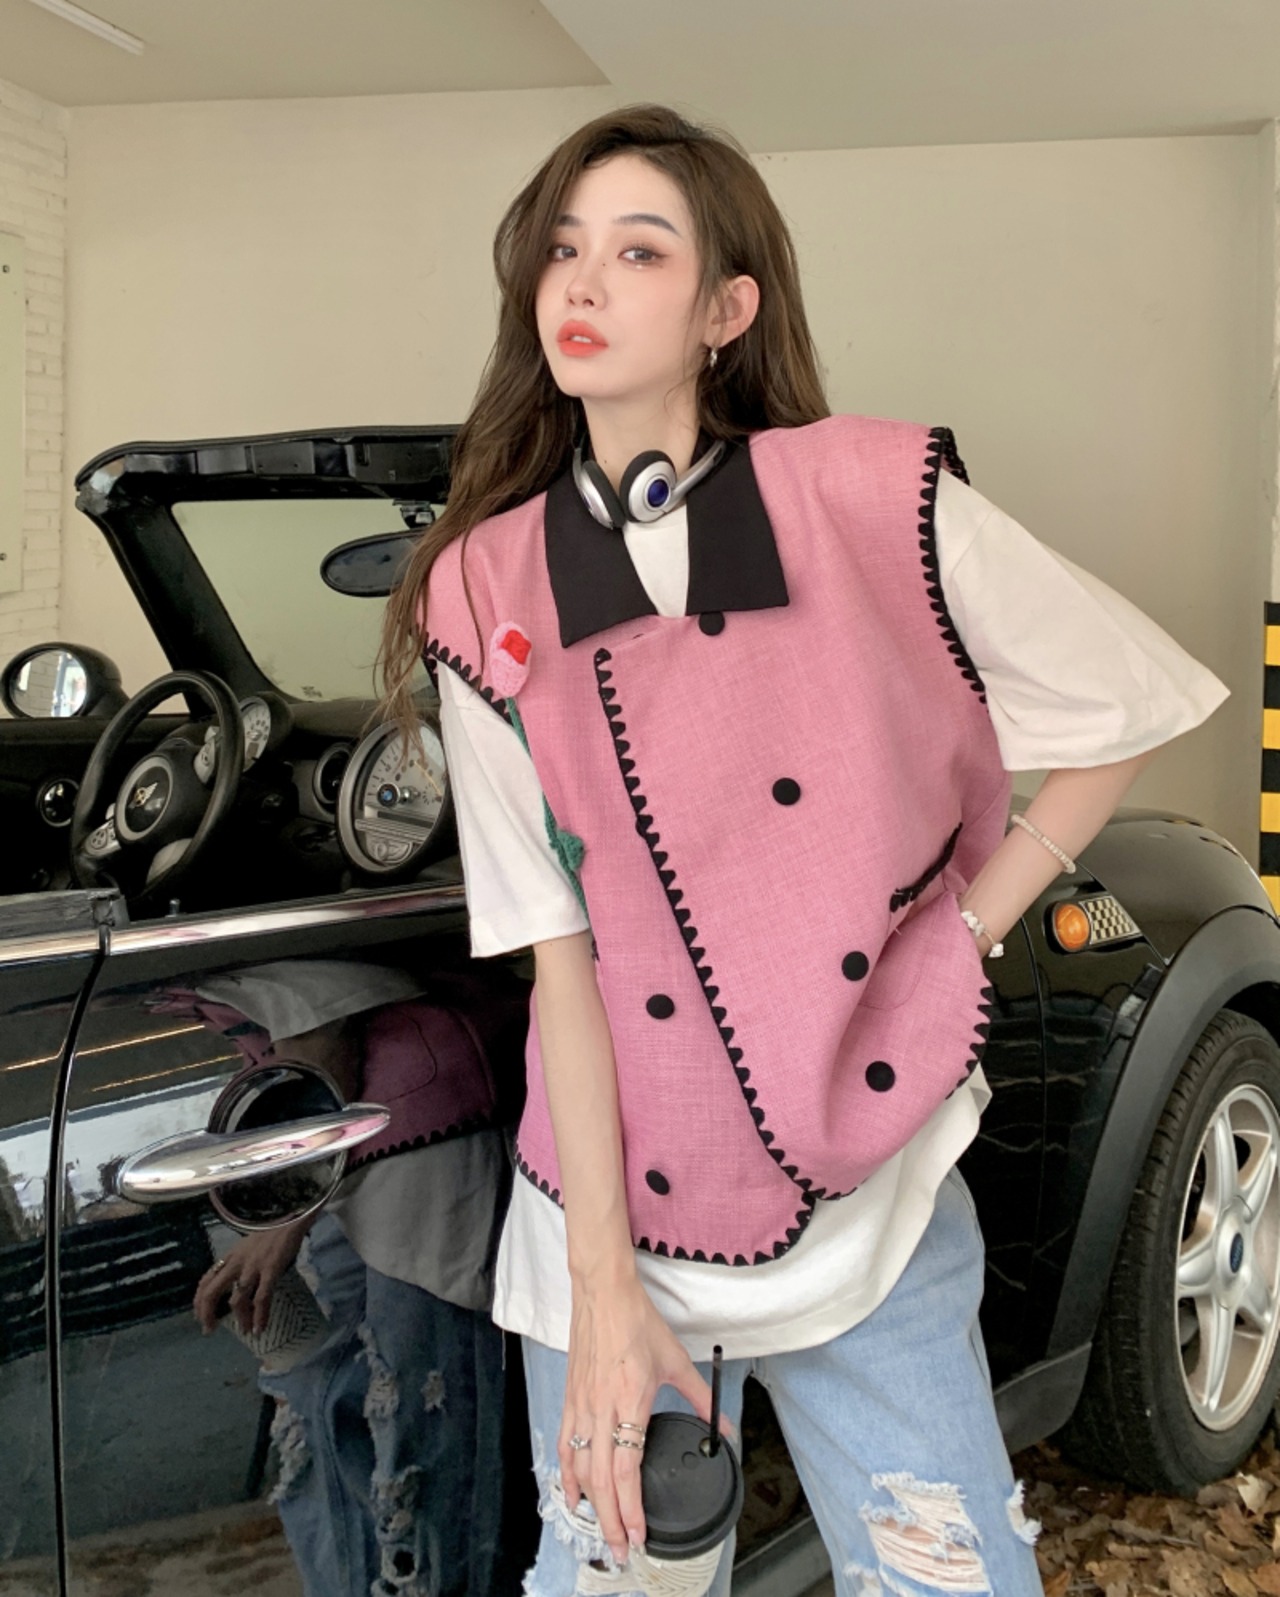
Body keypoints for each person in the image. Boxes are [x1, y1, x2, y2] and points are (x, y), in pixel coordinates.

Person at [378, 104, 1230, 1597]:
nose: (583, 283)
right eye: (563, 250)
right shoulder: (486, 587)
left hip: (863, 1199)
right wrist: (601, 1294)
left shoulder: (859, 497)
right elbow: (562, 960)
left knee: (945, 1573)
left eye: (639, 252)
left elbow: (1128, 694)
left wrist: (958, 935)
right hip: (610, 1216)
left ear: (726, 310)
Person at [187, 958, 534, 1597]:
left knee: (420, 1435)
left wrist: (289, 1214)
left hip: (402, 1140)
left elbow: (315, 1018)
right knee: (356, 1416)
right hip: (350, 1139)